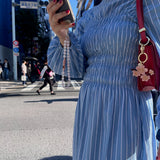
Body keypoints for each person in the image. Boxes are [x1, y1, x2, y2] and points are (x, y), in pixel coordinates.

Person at [47, 0, 160, 160]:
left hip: (127, 113)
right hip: (89, 113)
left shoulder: (145, 3)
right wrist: (63, 36)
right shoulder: (89, 13)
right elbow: (74, 69)